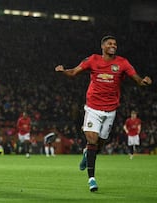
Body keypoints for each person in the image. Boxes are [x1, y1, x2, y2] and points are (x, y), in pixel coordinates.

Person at [55, 35, 152, 192]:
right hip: (93, 108)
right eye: (110, 43)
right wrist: (63, 71)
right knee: (92, 140)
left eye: (115, 43)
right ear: (103, 46)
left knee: (98, 145)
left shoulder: (122, 63)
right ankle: (91, 179)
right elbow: (73, 72)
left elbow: (138, 80)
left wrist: (145, 82)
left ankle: (87, 154)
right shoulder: (93, 59)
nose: (113, 46)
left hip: (110, 110)